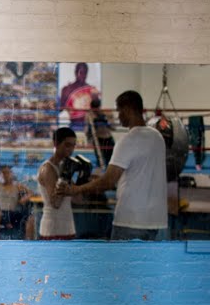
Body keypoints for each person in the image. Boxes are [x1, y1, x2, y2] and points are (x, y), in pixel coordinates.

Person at [59, 90, 168, 240]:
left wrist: (76, 189)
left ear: (128, 109)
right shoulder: (158, 137)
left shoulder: (127, 141)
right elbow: (140, 172)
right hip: (155, 221)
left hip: (131, 221)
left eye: (119, 111)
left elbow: (108, 181)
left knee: (121, 257)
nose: (118, 116)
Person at [37, 128, 77, 240]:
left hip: (68, 227)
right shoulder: (47, 169)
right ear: (56, 144)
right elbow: (55, 203)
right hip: (52, 229)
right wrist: (65, 177)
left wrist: (83, 178)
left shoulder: (64, 167)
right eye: (67, 145)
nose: (71, 150)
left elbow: (78, 200)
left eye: (73, 146)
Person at [0, 165, 31, 240]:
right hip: (0, 212)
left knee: (30, 219)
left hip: (13, 213)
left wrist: (24, 198)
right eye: (3, 173)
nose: (5, 175)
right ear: (0, 175)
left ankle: (28, 241)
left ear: (11, 174)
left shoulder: (17, 186)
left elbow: (30, 192)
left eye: (7, 173)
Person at [59, 62, 100, 132]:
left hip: (89, 125)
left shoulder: (92, 90)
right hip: (74, 125)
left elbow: (97, 110)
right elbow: (60, 109)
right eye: (81, 72)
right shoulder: (67, 89)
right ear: (76, 72)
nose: (83, 75)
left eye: (85, 73)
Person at [85, 98, 115, 167]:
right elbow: (86, 130)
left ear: (99, 107)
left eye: (96, 110)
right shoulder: (89, 115)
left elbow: (114, 128)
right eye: (93, 110)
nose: (95, 112)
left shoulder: (107, 113)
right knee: (100, 161)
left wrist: (106, 122)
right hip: (97, 140)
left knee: (111, 160)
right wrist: (90, 129)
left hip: (108, 139)